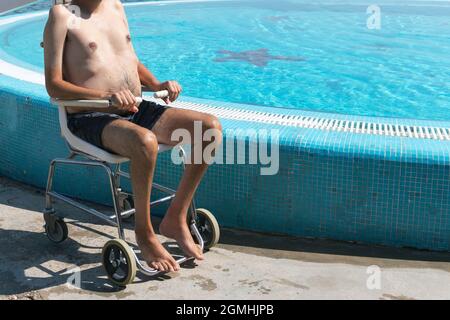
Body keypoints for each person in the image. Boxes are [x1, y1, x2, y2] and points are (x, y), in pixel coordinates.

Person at [43, 0, 222, 272]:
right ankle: (144, 233)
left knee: (208, 128)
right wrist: (105, 97)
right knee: (144, 142)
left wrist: (156, 83)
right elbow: (53, 85)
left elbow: (129, 59)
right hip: (90, 116)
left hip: (134, 107)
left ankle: (175, 217)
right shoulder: (61, 15)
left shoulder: (115, 6)